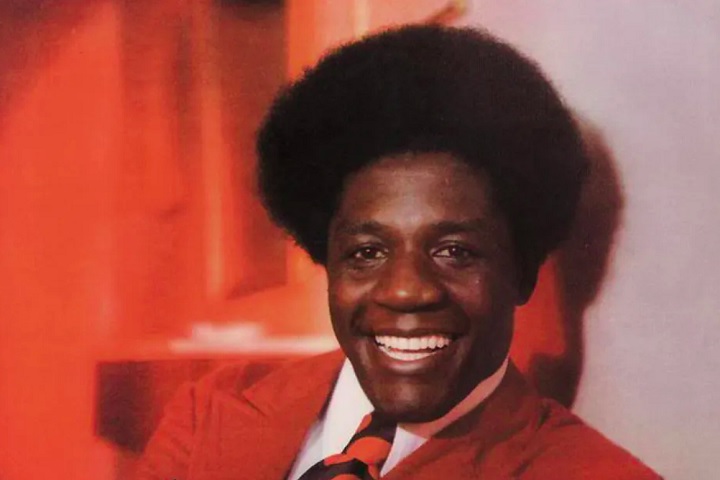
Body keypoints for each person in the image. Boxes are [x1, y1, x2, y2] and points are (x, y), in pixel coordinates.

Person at [137, 25, 661, 479]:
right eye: (367, 252)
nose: (406, 290)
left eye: (454, 251)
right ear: (328, 262)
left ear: (521, 271)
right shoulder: (211, 415)